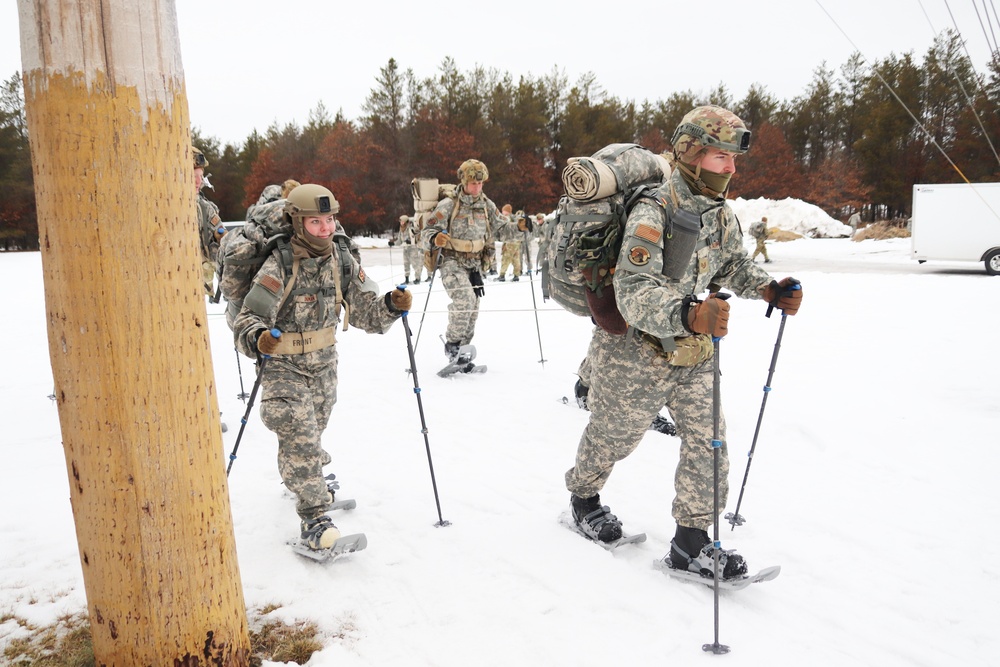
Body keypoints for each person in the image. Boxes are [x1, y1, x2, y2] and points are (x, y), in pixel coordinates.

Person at [563, 106, 803, 580]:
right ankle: (583, 499)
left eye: (734, 159)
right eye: (721, 157)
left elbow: (732, 264)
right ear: (691, 155)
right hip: (636, 354)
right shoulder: (654, 209)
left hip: (695, 354)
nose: (731, 168)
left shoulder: (720, 214)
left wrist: (767, 288)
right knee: (615, 435)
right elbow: (632, 292)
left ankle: (690, 542)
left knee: (709, 441)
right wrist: (688, 313)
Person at [233, 183, 412, 551]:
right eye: (316, 222)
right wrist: (259, 339)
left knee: (313, 430)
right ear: (298, 223)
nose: (326, 229)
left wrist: (392, 306)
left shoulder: (342, 259)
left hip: (324, 364)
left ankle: (304, 474)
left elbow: (366, 313)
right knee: (299, 431)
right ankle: (315, 519)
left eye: (330, 220)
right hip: (283, 366)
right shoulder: (279, 263)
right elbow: (248, 318)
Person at [421, 160, 528, 363]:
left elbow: (503, 230)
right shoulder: (449, 205)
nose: (477, 188)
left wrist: (520, 227)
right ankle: (452, 345)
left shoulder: (487, 205)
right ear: (463, 181)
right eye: (473, 183)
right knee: (465, 300)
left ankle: (463, 349)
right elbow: (425, 233)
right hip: (452, 261)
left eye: (480, 184)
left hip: (475, 264)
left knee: (474, 307)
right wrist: (435, 238)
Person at [193, 146, 224, 296]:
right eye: (193, 177)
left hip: (197, 287)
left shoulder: (205, 208)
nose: (199, 182)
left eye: (201, 176)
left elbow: (221, 241)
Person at [398, 214, 426, 284]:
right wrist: (392, 243)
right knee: (406, 264)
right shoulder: (401, 229)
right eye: (400, 221)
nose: (401, 223)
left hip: (412, 248)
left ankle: (417, 278)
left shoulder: (412, 228)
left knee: (415, 264)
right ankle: (406, 278)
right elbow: (399, 240)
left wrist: (411, 241)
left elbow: (417, 236)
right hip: (405, 248)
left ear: (406, 222)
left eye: (402, 221)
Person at [499, 208, 524, 282]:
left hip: (510, 242)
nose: (503, 213)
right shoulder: (516, 219)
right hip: (517, 242)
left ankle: (502, 275)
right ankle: (516, 275)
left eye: (504, 211)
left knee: (506, 258)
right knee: (516, 258)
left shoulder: (509, 219)